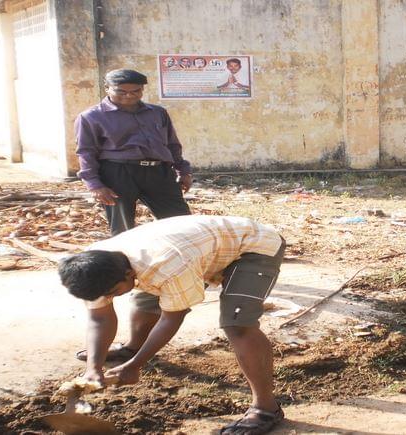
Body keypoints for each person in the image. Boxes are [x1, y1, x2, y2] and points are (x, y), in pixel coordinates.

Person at [59, 215, 287, 435]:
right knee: (145, 301)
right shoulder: (89, 267)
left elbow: (172, 318)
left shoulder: (168, 265)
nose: (110, 298)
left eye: (114, 292)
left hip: (252, 245)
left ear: (128, 274)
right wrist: (93, 368)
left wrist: (135, 366)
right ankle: (132, 348)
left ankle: (266, 408)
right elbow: (99, 317)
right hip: (197, 247)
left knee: (237, 323)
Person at [75, 69, 193, 235]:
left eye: (136, 91)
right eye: (121, 92)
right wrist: (95, 185)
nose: (129, 96)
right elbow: (86, 152)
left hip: (159, 172)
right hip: (117, 174)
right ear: (107, 88)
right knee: (123, 228)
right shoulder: (91, 117)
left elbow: (172, 144)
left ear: (142, 89)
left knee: (181, 222)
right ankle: (123, 252)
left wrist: (183, 170)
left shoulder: (157, 113)